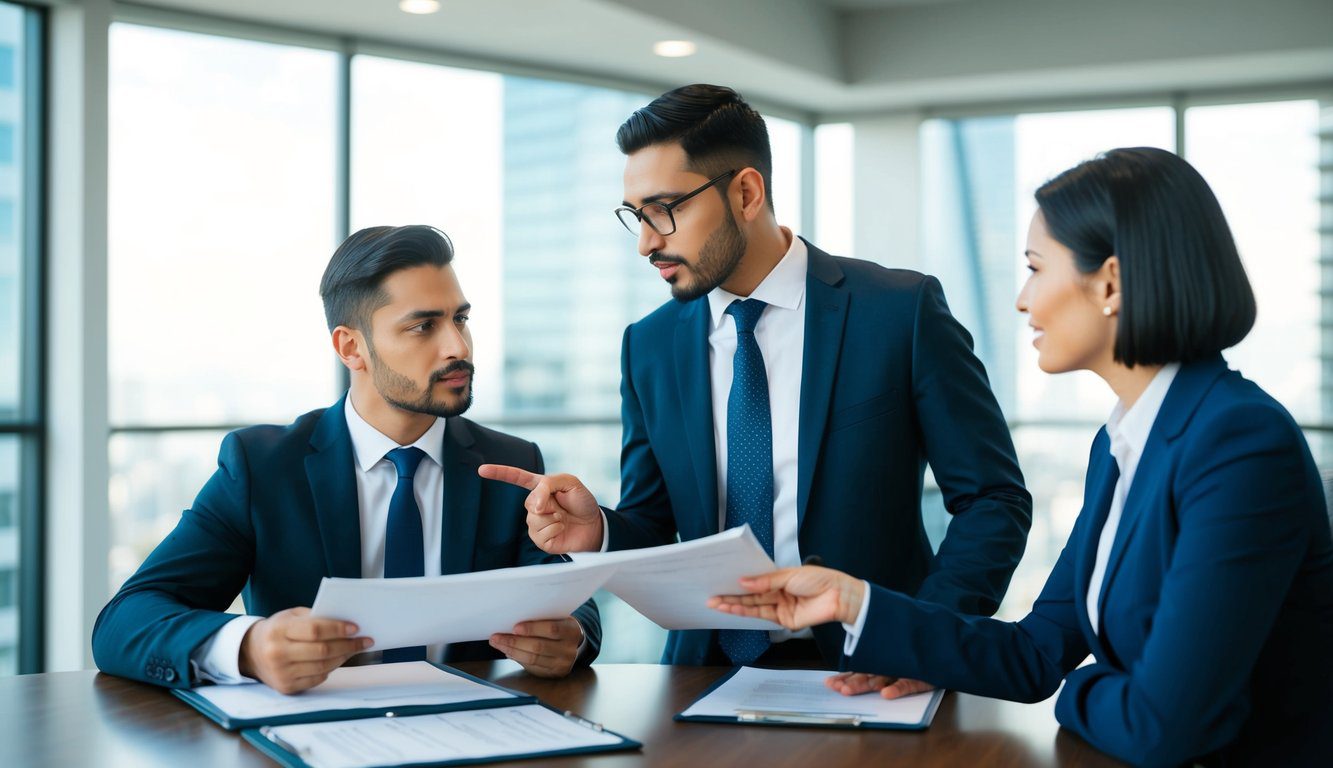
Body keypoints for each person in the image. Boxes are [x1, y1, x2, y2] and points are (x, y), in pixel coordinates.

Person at [710, 147, 1333, 766]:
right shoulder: (1122, 441)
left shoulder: (1239, 443)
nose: (1021, 300)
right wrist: (853, 602)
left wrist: (1078, 688)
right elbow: (1035, 655)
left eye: (1036, 269)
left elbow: (1162, 725)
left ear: (1110, 282)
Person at [482, 84, 1032, 678]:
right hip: (701, 675)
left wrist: (924, 635)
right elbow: (654, 522)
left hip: (874, 666)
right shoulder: (649, 345)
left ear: (746, 192)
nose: (647, 242)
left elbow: (992, 500)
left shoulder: (899, 312)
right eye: (636, 216)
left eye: (666, 209)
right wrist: (601, 531)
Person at [92, 225, 600, 694]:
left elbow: (570, 597)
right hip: (313, 741)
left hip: (473, 732)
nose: (458, 346)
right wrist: (249, 647)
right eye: (423, 326)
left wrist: (569, 637)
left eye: (460, 319)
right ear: (351, 347)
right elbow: (126, 621)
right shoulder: (263, 467)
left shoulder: (509, 462)